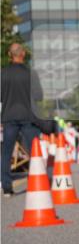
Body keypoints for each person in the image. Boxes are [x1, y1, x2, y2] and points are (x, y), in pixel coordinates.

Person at [1, 43, 44, 197]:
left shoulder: (2, 73)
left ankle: (7, 188)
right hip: (28, 116)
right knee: (35, 151)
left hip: (9, 117)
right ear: (23, 54)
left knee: (6, 152)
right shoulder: (31, 73)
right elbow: (39, 96)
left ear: (9, 54)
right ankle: (38, 183)